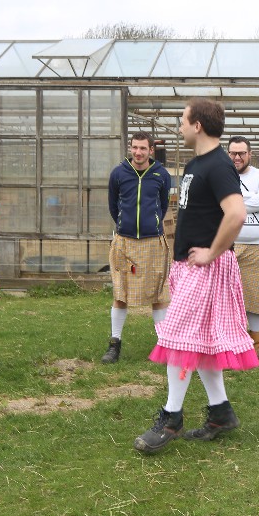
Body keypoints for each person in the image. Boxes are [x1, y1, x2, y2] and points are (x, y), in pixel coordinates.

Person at [134, 98, 259, 455]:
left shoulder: (218, 165)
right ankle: (221, 413)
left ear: (198, 125)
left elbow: (236, 214)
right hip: (190, 266)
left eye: (182, 120)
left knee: (177, 337)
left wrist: (211, 253)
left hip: (206, 268)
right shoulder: (196, 163)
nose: (179, 126)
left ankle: (171, 418)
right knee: (199, 341)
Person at [103, 132, 172, 363]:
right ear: (130, 148)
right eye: (134, 147)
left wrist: (152, 223)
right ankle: (114, 344)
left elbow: (163, 205)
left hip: (153, 242)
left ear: (151, 150)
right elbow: (113, 206)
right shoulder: (118, 174)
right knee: (120, 293)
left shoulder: (161, 175)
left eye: (143, 148)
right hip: (125, 242)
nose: (138, 152)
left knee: (158, 294)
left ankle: (163, 345)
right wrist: (125, 224)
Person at [228, 136, 259, 363]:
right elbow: (215, 203)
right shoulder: (221, 175)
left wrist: (233, 202)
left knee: (256, 297)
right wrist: (249, 199)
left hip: (256, 246)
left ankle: (257, 346)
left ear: (250, 154)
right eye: (233, 153)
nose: (237, 157)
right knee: (226, 298)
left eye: (241, 153)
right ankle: (231, 343)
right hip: (227, 246)